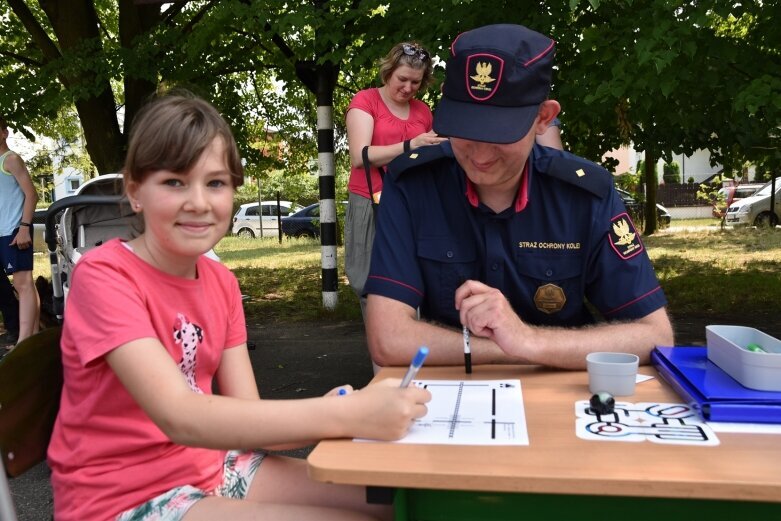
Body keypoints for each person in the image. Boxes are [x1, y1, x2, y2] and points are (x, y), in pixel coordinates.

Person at [47, 93, 431, 521]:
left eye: (215, 183)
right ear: (136, 191)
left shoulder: (221, 283)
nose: (198, 202)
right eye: (175, 182)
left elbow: (246, 412)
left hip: (212, 463)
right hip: (119, 496)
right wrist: (342, 415)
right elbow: (182, 417)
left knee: (399, 504)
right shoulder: (103, 276)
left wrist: (342, 409)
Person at [363, 24, 674, 371]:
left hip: (562, 398)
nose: (480, 154)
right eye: (465, 128)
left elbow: (655, 336)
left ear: (543, 118)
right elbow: (388, 338)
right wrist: (507, 346)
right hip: (452, 400)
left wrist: (528, 339)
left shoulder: (585, 195)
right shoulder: (412, 185)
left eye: (499, 132)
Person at [345, 41, 447, 316]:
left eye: (415, 82)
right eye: (402, 79)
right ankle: (382, 355)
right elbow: (360, 156)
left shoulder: (423, 111)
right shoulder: (366, 101)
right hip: (371, 200)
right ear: (388, 72)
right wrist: (410, 145)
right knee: (368, 281)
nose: (408, 88)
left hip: (413, 203)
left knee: (413, 279)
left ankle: (411, 349)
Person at [0, 115, 39, 347]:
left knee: (22, 283)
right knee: (25, 285)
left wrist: (24, 228)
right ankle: (32, 336)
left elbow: (31, 194)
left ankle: (24, 342)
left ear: (4, 133)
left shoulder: (11, 159)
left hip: (15, 230)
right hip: (2, 232)